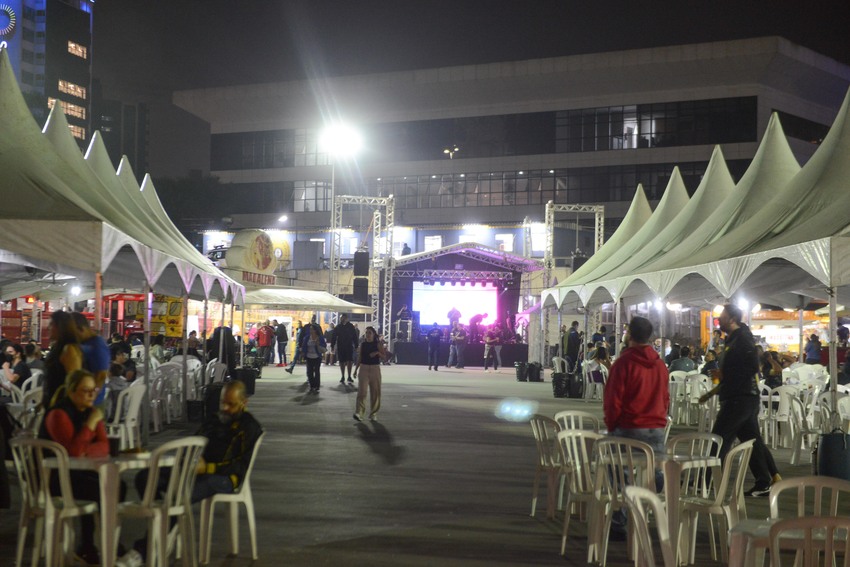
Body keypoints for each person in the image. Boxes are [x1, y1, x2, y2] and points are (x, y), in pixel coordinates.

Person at [128, 380, 262, 566]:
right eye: (223, 402)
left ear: (244, 402)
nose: (225, 407)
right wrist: (191, 459)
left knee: (179, 496)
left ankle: (143, 549)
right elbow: (194, 442)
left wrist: (208, 468)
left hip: (226, 478)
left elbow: (239, 466)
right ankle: (165, 528)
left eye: (231, 404)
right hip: (196, 470)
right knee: (145, 477)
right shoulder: (215, 420)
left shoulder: (249, 427)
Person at [44, 369, 127, 565]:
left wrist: (86, 447)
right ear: (72, 392)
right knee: (101, 489)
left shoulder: (91, 412)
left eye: (94, 390)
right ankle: (91, 545)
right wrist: (90, 426)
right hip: (54, 479)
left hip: (79, 474)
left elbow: (105, 446)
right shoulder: (58, 414)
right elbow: (73, 452)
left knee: (117, 485)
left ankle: (106, 540)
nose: (92, 395)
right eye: (86, 390)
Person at [699, 303, 781, 497]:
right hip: (742, 398)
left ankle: (706, 480)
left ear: (732, 319)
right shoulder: (735, 339)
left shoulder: (742, 339)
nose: (719, 319)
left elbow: (752, 366)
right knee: (752, 441)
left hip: (740, 398)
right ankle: (764, 481)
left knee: (719, 439)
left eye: (723, 316)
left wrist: (725, 374)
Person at [43, 311, 83, 409]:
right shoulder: (57, 347)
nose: (48, 328)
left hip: (62, 408)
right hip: (53, 405)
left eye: (52, 324)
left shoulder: (69, 349)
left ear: (60, 327)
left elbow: (74, 381)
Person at [71, 312, 112, 409]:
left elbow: (101, 375)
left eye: (73, 333)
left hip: (92, 404)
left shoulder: (97, 345)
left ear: (81, 329)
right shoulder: (87, 343)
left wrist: (92, 397)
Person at [353, 326, 386, 422]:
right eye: (366, 333)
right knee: (362, 392)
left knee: (375, 392)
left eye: (369, 333)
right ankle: (359, 412)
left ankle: (373, 413)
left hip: (375, 369)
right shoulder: (363, 344)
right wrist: (355, 370)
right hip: (364, 368)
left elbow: (384, 357)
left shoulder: (378, 344)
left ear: (373, 334)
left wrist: (377, 353)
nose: (367, 335)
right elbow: (360, 358)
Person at [331, 314, 358, 384]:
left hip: (349, 346)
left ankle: (349, 376)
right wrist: (332, 346)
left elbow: (355, 336)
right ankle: (342, 376)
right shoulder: (338, 327)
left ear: (346, 318)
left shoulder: (351, 326)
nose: (341, 319)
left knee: (350, 361)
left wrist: (356, 345)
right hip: (341, 346)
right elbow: (334, 336)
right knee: (341, 361)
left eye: (343, 318)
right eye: (341, 318)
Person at [300, 324, 327, 394]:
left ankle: (317, 386)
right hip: (309, 356)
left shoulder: (320, 338)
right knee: (310, 372)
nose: (310, 330)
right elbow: (304, 345)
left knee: (317, 371)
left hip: (317, 357)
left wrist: (318, 344)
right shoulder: (307, 337)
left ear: (315, 330)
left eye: (312, 329)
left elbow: (324, 346)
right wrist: (303, 352)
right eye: (310, 329)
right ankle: (312, 386)